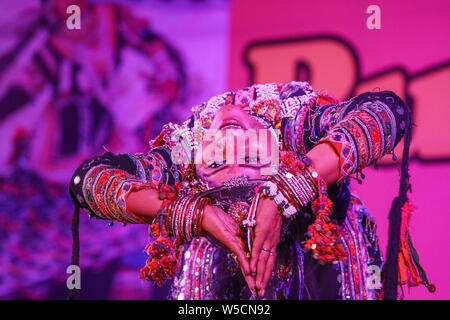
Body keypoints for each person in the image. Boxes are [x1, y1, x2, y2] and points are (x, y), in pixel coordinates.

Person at [69, 81, 433, 300]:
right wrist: (192, 214)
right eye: (218, 163)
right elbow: (88, 183)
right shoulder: (190, 149)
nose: (226, 124)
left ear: (280, 154)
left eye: (245, 154)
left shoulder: (293, 126)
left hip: (322, 268)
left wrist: (289, 188)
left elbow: (386, 113)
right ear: (198, 181)